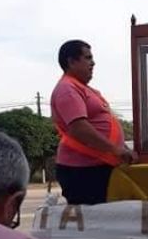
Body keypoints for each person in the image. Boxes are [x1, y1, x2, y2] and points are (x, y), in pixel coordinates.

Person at [51, 39, 137, 205]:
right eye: (88, 58)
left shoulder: (84, 88)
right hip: (83, 170)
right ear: (71, 61)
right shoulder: (67, 89)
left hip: (99, 166)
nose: (93, 63)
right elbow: (79, 128)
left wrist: (123, 148)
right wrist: (115, 149)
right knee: (94, 222)